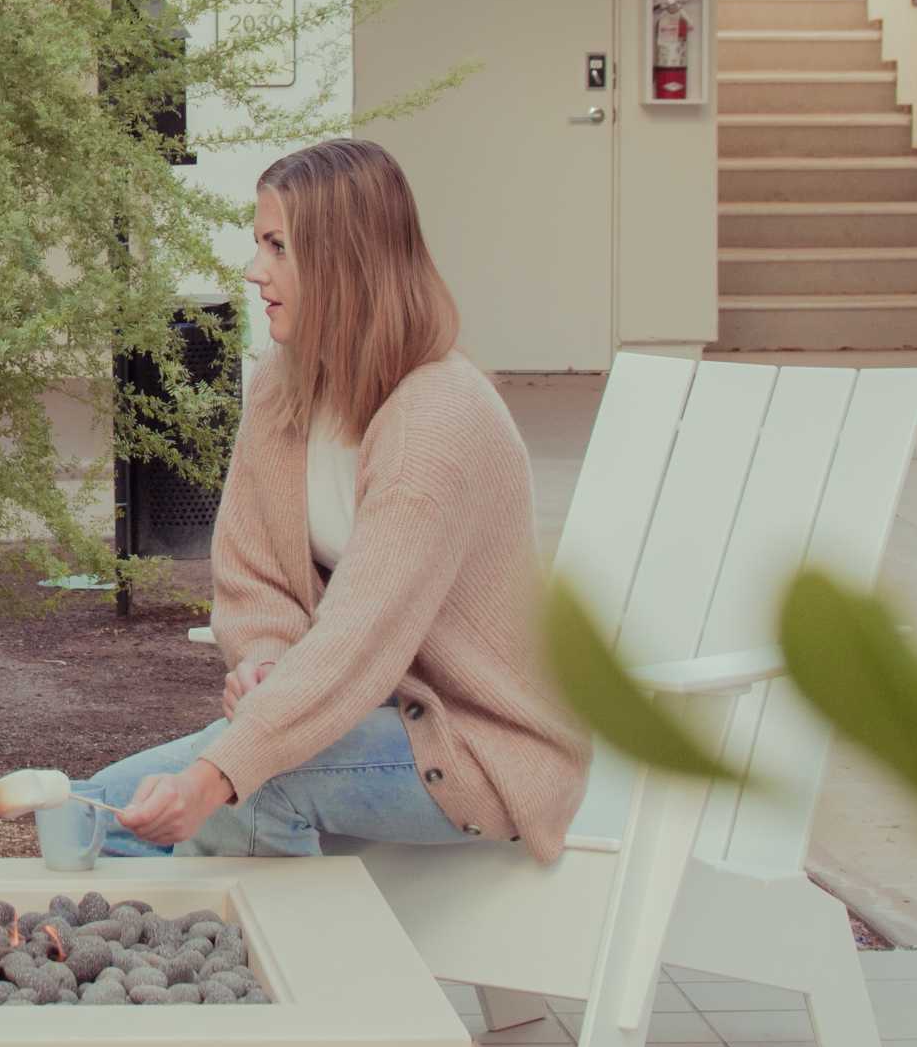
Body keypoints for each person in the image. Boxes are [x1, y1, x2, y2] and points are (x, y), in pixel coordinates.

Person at [80, 137, 586, 861]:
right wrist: (264, 658)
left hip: (473, 742)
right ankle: (171, 971)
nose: (255, 272)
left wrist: (218, 772)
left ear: (346, 263)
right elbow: (250, 572)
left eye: (279, 248)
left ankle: (293, 972)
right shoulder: (284, 389)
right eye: (259, 245)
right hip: (348, 713)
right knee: (98, 813)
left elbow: (359, 636)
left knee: (246, 794)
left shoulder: (436, 424)